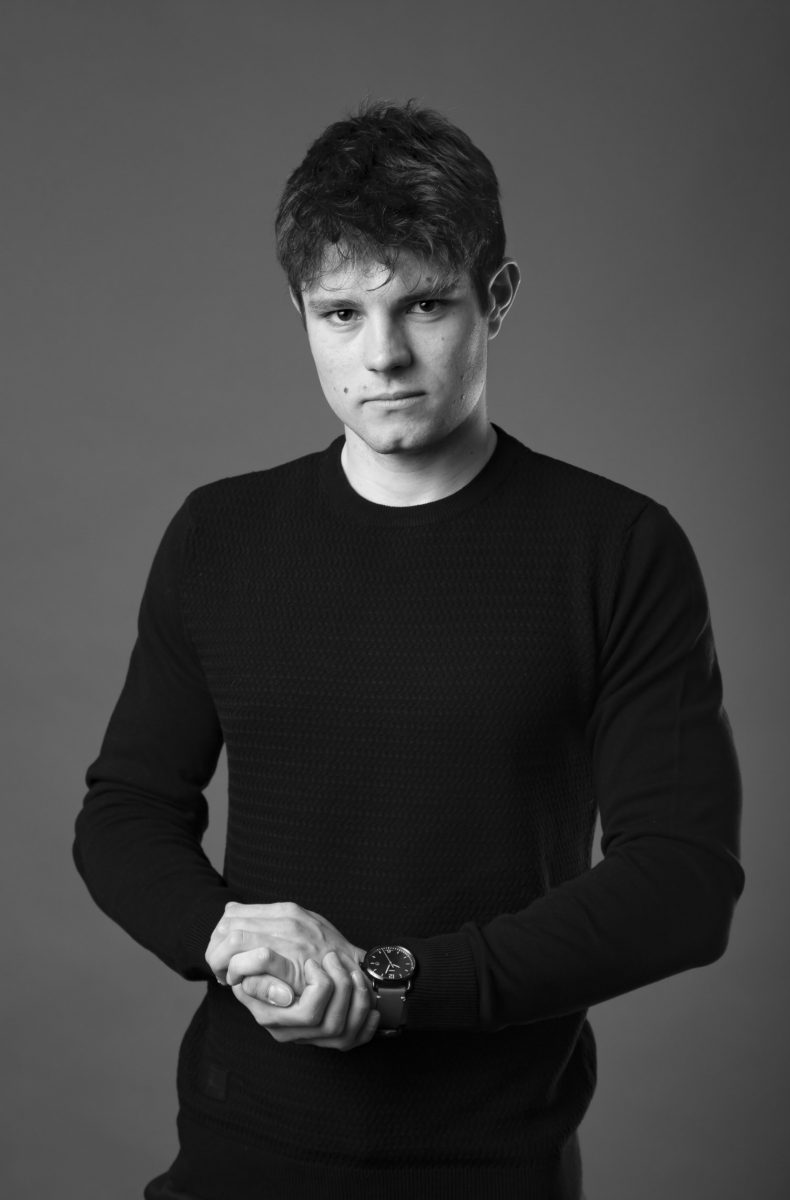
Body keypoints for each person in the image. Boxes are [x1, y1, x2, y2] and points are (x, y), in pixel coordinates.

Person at [74, 101, 744, 1200]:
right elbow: (125, 810)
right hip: (237, 1150)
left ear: (497, 297)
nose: (380, 356)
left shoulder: (617, 548)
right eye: (340, 313)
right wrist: (224, 932)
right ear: (299, 311)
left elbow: (682, 880)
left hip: (489, 1165)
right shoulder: (219, 536)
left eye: (424, 304)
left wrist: (389, 983)